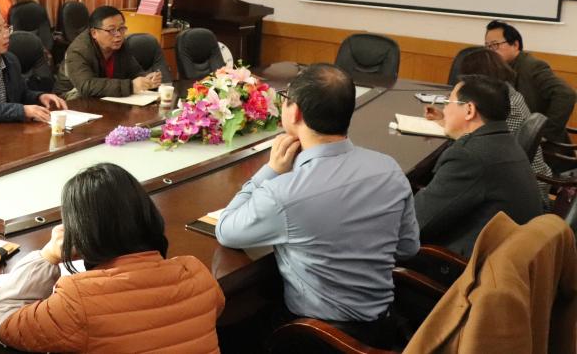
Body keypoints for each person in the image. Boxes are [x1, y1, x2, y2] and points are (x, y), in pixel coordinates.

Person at [215, 63, 418, 349]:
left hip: (316, 338)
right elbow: (408, 248)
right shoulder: (389, 169)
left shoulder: (284, 192)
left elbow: (226, 230)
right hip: (384, 329)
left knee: (229, 332)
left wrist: (270, 171)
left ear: (295, 112)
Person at [0, 163, 224, 353]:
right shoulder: (196, 273)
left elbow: (5, 319)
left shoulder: (79, 299)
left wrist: (47, 255)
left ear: (80, 231)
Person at [414, 74, 543, 257]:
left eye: (448, 102)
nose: (445, 109)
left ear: (469, 110)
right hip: (510, 256)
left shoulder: (469, 157)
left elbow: (416, 223)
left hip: (465, 266)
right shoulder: (503, 140)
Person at [426, 48, 552, 204]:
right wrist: (445, 119)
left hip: (517, 194)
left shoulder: (504, 106)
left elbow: (474, 140)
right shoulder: (507, 94)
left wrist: (450, 123)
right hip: (524, 186)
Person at [484, 20, 575, 144]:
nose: (491, 51)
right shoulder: (496, 69)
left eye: (495, 45)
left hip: (541, 147)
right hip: (511, 139)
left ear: (515, 45)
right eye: (487, 46)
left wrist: (544, 133)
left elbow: (566, 94)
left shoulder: (533, 66)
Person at [55, 5, 162, 99]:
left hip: (103, 98)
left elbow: (134, 72)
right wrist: (131, 86)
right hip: (69, 100)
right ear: (94, 33)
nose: (118, 34)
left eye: (121, 28)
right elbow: (86, 85)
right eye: (111, 30)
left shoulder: (120, 44)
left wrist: (147, 79)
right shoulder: (78, 50)